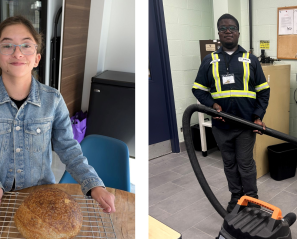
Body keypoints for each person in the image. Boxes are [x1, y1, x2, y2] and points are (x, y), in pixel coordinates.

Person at [0, 16, 115, 213]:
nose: (17, 52)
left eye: (26, 45)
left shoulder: (53, 100)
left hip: (41, 198)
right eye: (7, 45)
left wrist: (94, 184)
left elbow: (69, 149)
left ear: (37, 58)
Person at [192, 14, 270, 213]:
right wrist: (212, 105)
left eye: (232, 28)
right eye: (223, 28)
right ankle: (236, 197)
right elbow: (198, 89)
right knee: (229, 164)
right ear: (218, 33)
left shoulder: (250, 60)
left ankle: (252, 200)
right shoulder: (209, 60)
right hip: (221, 125)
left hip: (245, 125)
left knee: (245, 164)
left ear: (238, 32)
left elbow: (263, 91)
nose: (228, 31)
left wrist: (258, 116)